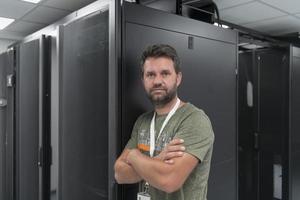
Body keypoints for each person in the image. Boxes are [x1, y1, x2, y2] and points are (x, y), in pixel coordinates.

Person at [114, 44, 214, 200]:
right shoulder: (142, 122)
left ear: (178, 78)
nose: (157, 81)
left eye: (165, 73)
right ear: (143, 80)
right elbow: (119, 173)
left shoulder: (194, 120)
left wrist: (134, 156)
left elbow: (169, 180)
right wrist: (158, 160)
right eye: (150, 75)